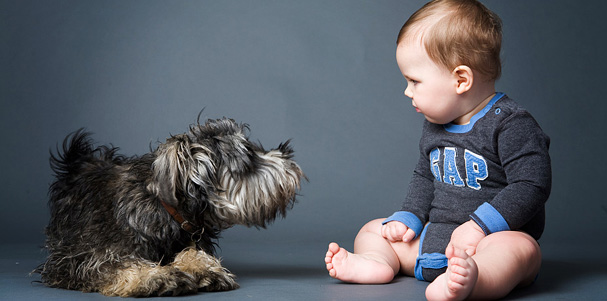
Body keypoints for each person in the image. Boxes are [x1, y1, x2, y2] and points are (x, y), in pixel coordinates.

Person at [324, 0, 552, 300]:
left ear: (461, 79)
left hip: (488, 243)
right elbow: (424, 177)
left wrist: (479, 227)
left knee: (522, 250)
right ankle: (378, 262)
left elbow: (531, 185)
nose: (407, 91)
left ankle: (473, 280)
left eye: (414, 81)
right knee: (373, 229)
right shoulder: (436, 126)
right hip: (434, 240)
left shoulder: (511, 124)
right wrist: (409, 217)